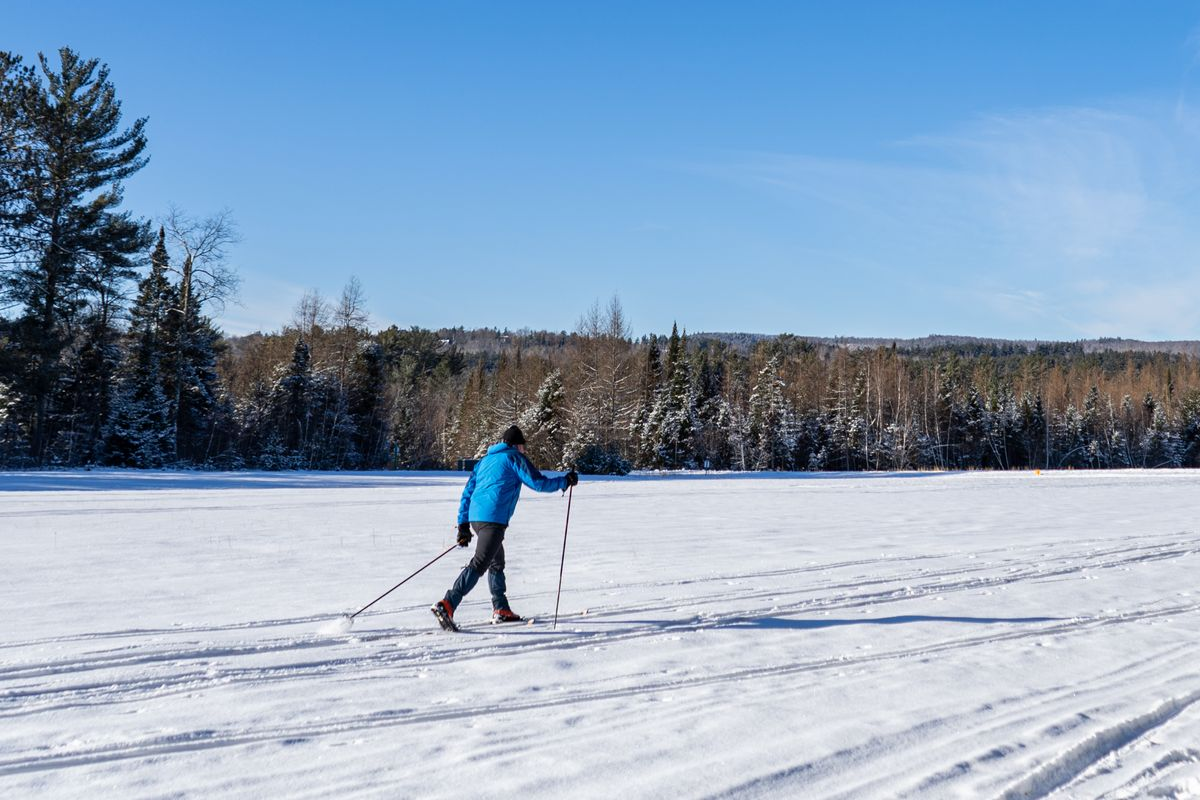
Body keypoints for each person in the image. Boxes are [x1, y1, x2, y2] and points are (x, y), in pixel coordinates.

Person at [432, 425, 578, 629]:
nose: (524, 450)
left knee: (496, 562)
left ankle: (501, 608)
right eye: (523, 446)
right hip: (493, 520)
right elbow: (538, 483)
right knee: (480, 563)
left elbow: (467, 492)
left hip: (476, 519)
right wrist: (565, 481)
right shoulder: (513, 457)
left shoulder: (484, 461)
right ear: (516, 445)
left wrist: (463, 525)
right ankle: (447, 603)